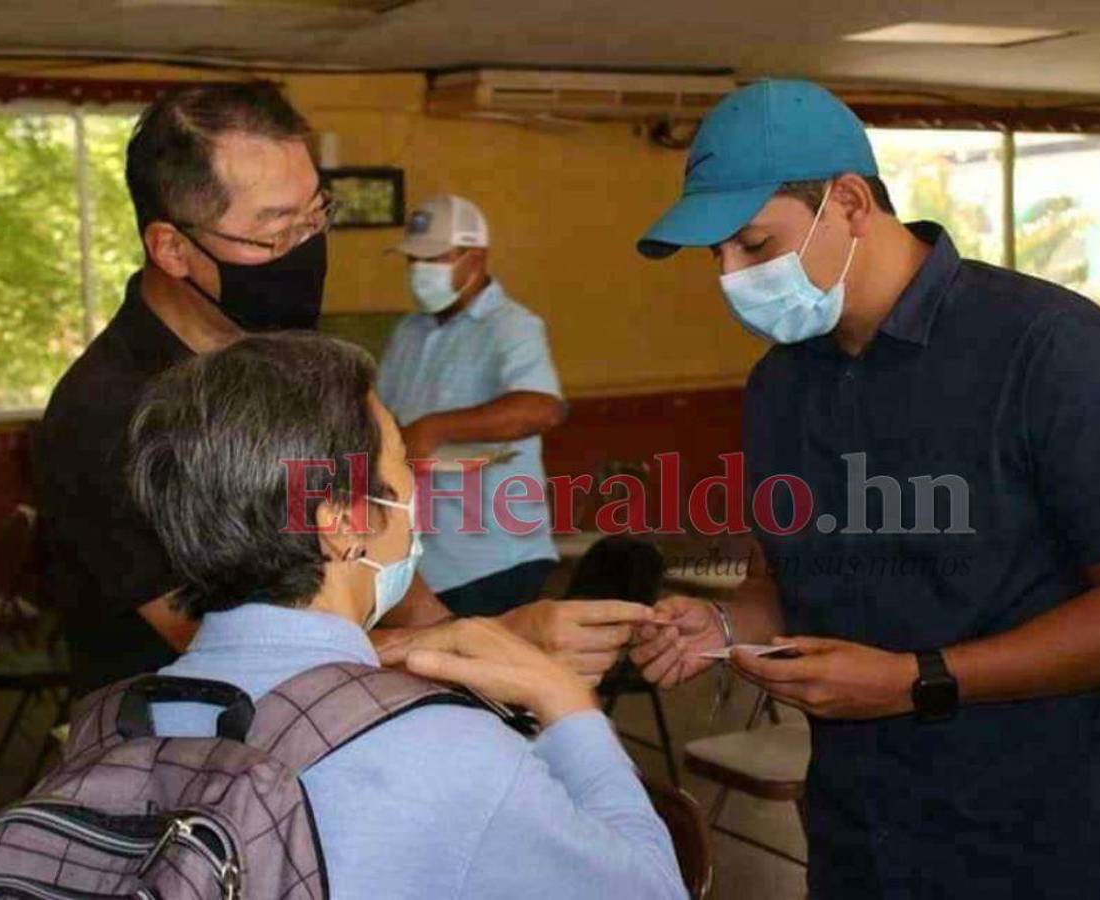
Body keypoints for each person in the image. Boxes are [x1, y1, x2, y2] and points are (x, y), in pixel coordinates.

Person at [629, 79, 1100, 899]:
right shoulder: (780, 388)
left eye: (754, 246)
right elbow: (790, 583)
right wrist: (725, 624)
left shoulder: (1051, 353)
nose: (730, 278)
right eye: (714, 256)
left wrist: (918, 679)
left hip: (1048, 845)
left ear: (852, 202)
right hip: (861, 843)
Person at [36, 83, 650, 697]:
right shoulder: (107, 412)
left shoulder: (294, 355)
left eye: (316, 216)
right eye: (277, 232)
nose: (307, 251)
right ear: (172, 248)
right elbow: (224, 644)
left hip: (336, 713)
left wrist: (492, 647)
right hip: (183, 749)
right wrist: (459, 647)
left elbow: (379, 544)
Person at [129, 332, 688, 900]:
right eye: (401, 467)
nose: (417, 491)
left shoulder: (124, 723)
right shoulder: (445, 752)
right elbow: (653, 890)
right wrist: (568, 705)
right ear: (344, 521)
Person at [379, 194, 564, 616]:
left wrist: (434, 428)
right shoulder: (409, 332)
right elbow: (385, 418)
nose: (419, 271)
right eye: (413, 261)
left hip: (494, 557)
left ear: (475, 256)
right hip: (425, 561)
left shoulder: (512, 327)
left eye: (434, 259)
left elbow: (542, 408)